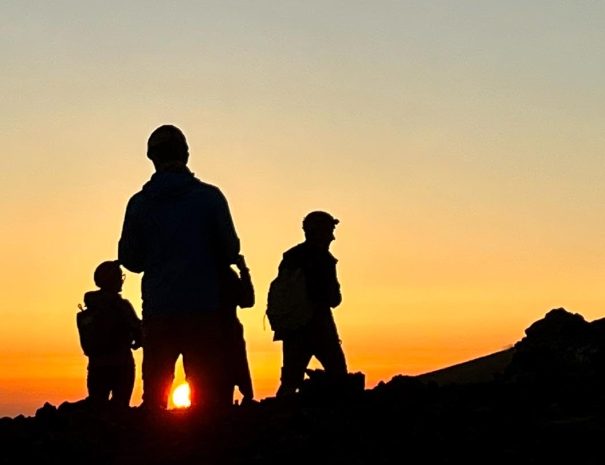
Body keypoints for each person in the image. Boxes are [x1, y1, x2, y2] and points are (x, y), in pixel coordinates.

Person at [118, 124, 240, 411]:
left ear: (152, 157)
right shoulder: (209, 197)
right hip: (205, 307)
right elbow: (230, 250)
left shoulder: (139, 204)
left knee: (155, 397)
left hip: (159, 309)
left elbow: (130, 259)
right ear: (185, 154)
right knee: (206, 395)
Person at [273, 210, 348, 397]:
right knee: (340, 378)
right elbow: (333, 299)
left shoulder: (290, 257)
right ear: (320, 232)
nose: (333, 236)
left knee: (289, 382)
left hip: (292, 328)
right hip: (319, 326)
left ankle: (278, 419)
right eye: (330, 230)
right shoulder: (323, 259)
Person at [77, 260, 142, 410]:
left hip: (96, 367)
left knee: (97, 408)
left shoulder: (91, 308)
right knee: (120, 410)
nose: (121, 280)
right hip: (121, 365)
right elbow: (138, 331)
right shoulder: (122, 305)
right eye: (119, 276)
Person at [218, 254, 255, 406]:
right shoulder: (226, 275)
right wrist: (243, 270)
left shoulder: (197, 274)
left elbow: (247, 301)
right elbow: (247, 301)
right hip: (227, 335)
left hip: (208, 336)